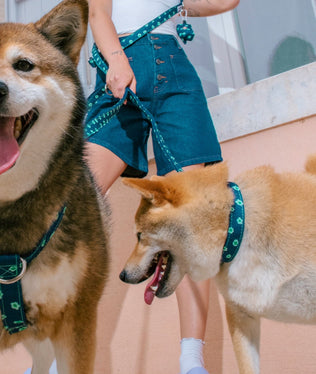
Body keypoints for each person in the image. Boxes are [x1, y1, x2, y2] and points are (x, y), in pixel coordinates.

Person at [86, 0, 239, 373]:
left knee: (189, 219)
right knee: (75, 207)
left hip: (175, 73)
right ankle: (56, 357)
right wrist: (118, 60)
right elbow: (97, 14)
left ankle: (192, 362)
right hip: (120, 63)